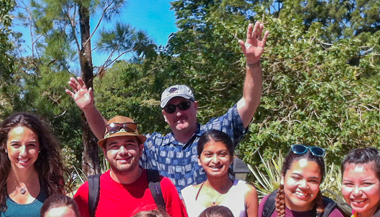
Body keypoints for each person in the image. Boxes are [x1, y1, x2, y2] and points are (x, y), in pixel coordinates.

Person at [66, 22, 268, 191]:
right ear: (164, 115)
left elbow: (249, 102)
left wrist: (252, 63)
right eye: (171, 109)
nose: (178, 112)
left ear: (195, 106)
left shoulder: (216, 134)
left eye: (183, 105)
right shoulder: (155, 148)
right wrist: (89, 108)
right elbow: (111, 136)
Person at [181, 130, 259, 217]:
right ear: (199, 160)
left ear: (232, 158)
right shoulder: (188, 196)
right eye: (208, 154)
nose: (215, 160)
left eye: (222, 154)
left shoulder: (246, 192)